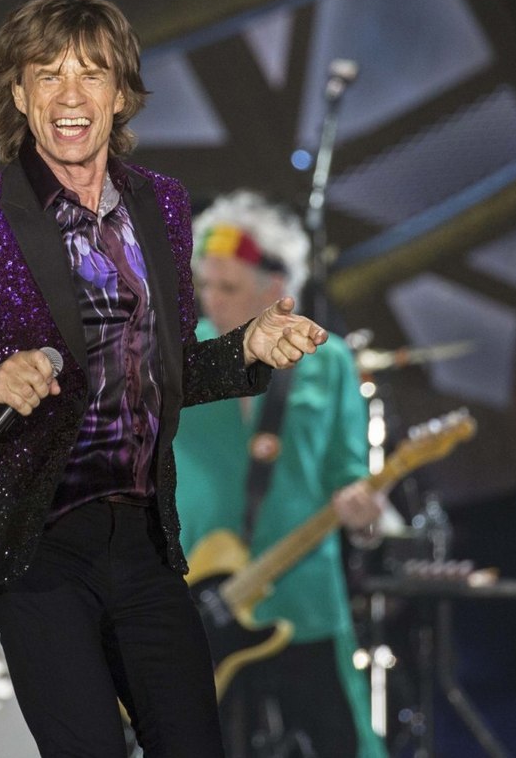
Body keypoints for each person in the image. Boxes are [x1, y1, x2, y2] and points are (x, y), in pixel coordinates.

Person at [0, 0, 329, 758]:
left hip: (144, 538)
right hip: (35, 541)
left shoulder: (162, 206)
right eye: (49, 74)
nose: (71, 95)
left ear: (121, 94)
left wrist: (247, 347)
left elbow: (164, 371)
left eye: (91, 73)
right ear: (19, 95)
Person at [174, 190, 387, 758]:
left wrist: (365, 515)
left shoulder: (327, 359)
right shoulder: (175, 357)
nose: (211, 301)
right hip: (199, 598)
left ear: (275, 289)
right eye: (205, 286)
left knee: (342, 744)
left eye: (228, 288)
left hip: (302, 594)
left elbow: (349, 471)